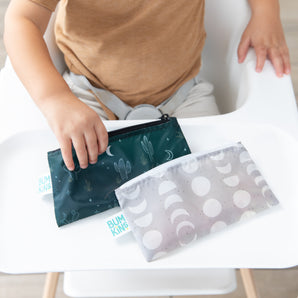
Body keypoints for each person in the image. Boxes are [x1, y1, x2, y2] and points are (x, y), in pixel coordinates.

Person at [4, 0, 291, 171]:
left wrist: (266, 14)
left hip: (185, 95)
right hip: (86, 97)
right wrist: (55, 100)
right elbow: (21, 20)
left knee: (221, 185)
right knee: (84, 202)